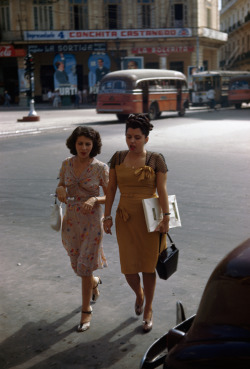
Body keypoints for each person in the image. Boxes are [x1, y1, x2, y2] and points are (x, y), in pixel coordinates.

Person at [104, 114, 170, 333]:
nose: (132, 142)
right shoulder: (117, 157)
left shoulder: (156, 159)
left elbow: (161, 190)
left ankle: (149, 308)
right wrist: (107, 216)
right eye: (128, 136)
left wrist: (166, 217)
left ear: (146, 139)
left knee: (148, 266)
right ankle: (139, 294)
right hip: (126, 218)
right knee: (129, 268)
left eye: (137, 137)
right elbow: (111, 189)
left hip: (150, 219)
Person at [56, 126, 109, 332]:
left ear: (94, 146)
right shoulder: (66, 164)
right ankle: (94, 282)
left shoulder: (100, 168)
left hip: (92, 222)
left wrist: (95, 198)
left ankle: (86, 310)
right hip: (70, 221)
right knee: (78, 265)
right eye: (80, 143)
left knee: (85, 266)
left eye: (88, 144)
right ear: (74, 144)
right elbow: (61, 185)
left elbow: (110, 195)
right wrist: (60, 188)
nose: (84, 147)